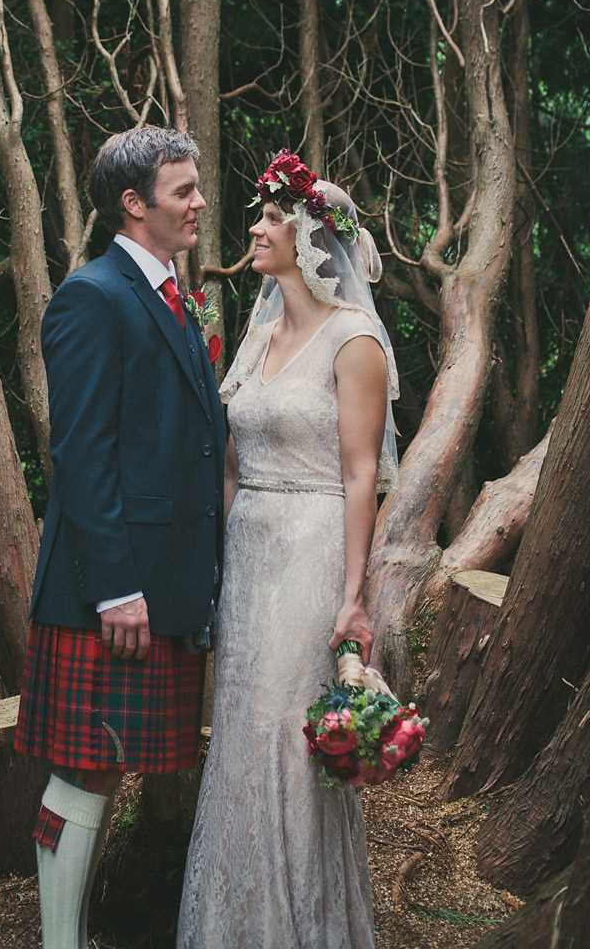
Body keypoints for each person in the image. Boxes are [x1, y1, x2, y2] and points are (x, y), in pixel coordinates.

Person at [177, 150, 399, 949]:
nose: (253, 227)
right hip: (248, 556)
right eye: (261, 214)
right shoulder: (260, 328)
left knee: (285, 742)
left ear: (311, 234)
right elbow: (234, 461)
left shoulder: (356, 341)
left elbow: (361, 473)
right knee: (239, 735)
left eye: (271, 216)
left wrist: (352, 595)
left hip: (311, 551)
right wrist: (220, 566)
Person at [14, 126, 227, 949]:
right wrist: (115, 588)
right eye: (184, 190)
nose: (199, 201)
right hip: (108, 593)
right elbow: (81, 453)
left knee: (105, 766)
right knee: (86, 767)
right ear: (134, 204)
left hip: (161, 585)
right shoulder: (92, 296)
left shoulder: (174, 292)